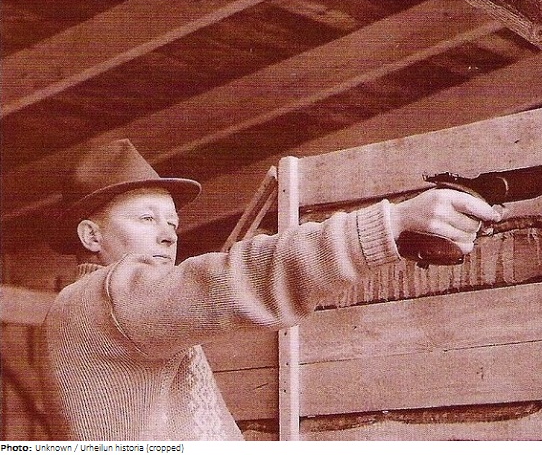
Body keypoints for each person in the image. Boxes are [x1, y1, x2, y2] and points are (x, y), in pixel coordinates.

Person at [39, 139, 501, 440]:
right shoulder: (102, 299)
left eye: (172, 223)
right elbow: (231, 277)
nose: (167, 235)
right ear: (91, 236)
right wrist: (391, 223)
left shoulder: (127, 312)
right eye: (146, 218)